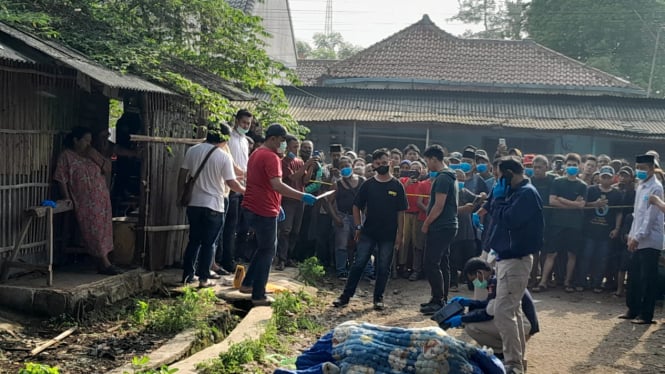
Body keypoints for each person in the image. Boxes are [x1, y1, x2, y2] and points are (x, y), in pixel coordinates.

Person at [239, 124, 317, 306]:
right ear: (273, 138)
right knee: (268, 251)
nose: (284, 145)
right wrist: (301, 196)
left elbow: (263, 183)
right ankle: (259, 294)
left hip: (254, 205)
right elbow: (277, 185)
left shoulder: (257, 153)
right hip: (263, 209)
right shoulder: (271, 157)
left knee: (263, 248)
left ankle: (248, 283)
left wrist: (277, 203)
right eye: (282, 141)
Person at [483, 156, 544, 374]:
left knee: (502, 311)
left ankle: (513, 365)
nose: (497, 181)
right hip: (505, 258)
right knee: (513, 311)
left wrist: (499, 201)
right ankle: (516, 360)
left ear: (509, 174)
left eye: (500, 176)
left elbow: (510, 220)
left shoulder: (527, 194)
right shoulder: (512, 191)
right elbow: (491, 209)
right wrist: (495, 196)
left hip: (516, 260)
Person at [332, 148, 407, 311]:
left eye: (384, 163)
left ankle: (378, 298)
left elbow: (401, 212)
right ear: (373, 164)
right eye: (378, 163)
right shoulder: (368, 184)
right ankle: (345, 297)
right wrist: (358, 226)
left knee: (383, 266)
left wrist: (401, 234)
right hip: (368, 232)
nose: (382, 165)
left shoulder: (397, 186)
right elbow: (356, 206)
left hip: (388, 234)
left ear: (391, 163)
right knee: (358, 264)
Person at [178, 123, 245, 287]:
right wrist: (246, 191)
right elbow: (231, 183)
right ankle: (204, 278)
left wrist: (181, 193)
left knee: (193, 240)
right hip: (214, 204)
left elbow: (182, 175)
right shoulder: (223, 156)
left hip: (194, 203)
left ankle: (188, 275)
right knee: (209, 243)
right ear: (224, 138)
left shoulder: (192, 150)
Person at [444, 258, 539, 365]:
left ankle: (503, 354)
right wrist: (467, 302)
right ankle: (508, 352)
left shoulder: (497, 282)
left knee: (471, 326)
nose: (475, 283)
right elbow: (489, 304)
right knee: (474, 319)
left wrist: (462, 319)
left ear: (480, 273)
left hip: (525, 326)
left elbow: (488, 313)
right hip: (523, 323)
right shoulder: (496, 278)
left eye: (474, 279)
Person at [54, 126, 121, 275]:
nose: (89, 144)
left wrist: (95, 156)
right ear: (76, 140)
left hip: (102, 199)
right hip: (84, 200)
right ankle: (106, 263)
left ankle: (102, 263)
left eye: (90, 141)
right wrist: (67, 198)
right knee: (94, 228)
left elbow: (108, 168)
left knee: (104, 229)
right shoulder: (66, 156)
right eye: (86, 141)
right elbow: (61, 178)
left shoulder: (91, 154)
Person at [619, 154, 664, 324]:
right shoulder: (641, 185)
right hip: (636, 237)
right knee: (634, 275)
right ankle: (633, 309)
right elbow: (636, 215)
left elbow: (650, 217)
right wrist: (632, 235)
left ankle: (646, 315)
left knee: (648, 278)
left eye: (643, 169)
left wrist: (638, 237)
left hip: (650, 239)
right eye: (638, 168)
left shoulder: (656, 188)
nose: (640, 171)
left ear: (652, 169)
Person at [534, 153, 586, 293]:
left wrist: (561, 200)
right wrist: (573, 203)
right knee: (551, 254)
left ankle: (567, 282)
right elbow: (552, 201)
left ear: (579, 167)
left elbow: (581, 205)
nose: (571, 167)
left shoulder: (583, 185)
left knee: (571, 255)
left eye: (574, 165)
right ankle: (543, 281)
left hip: (574, 225)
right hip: (557, 223)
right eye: (569, 165)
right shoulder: (558, 182)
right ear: (565, 166)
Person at [420, 145, 459, 315]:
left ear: (434, 159)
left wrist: (427, 223)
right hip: (448, 225)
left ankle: (438, 300)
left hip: (441, 225)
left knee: (431, 262)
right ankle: (441, 298)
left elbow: (439, 205)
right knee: (443, 262)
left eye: (427, 161)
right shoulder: (450, 176)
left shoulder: (443, 178)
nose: (427, 164)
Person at [217, 109, 252, 274]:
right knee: (227, 226)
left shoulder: (245, 140)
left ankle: (231, 258)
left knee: (237, 226)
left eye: (248, 123)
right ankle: (224, 260)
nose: (246, 126)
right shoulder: (228, 138)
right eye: (244, 122)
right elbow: (228, 162)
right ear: (237, 121)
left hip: (241, 186)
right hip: (228, 185)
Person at [577, 166, 622, 293]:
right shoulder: (590, 190)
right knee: (586, 256)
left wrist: (617, 228)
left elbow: (619, 212)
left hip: (606, 232)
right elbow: (582, 205)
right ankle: (581, 281)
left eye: (608, 177)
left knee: (602, 258)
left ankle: (597, 283)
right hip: (589, 230)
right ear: (599, 177)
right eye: (604, 177)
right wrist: (594, 204)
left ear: (613, 178)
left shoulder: (617, 194)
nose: (606, 179)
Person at [276, 135, 314, 270]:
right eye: (294, 147)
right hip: (288, 200)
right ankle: (281, 258)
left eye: (297, 146)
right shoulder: (284, 161)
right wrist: (307, 165)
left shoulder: (299, 161)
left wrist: (310, 166)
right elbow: (292, 177)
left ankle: (288, 257)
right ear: (287, 147)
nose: (297, 149)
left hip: (300, 200)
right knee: (285, 229)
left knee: (295, 231)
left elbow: (305, 180)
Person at [330, 157, 366, 279]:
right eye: (342, 166)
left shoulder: (362, 181)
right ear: (339, 169)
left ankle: (364, 271)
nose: (345, 168)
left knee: (362, 244)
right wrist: (335, 217)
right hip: (343, 216)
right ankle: (341, 270)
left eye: (347, 165)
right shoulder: (337, 184)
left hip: (359, 216)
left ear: (352, 165)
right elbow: (327, 201)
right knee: (341, 244)